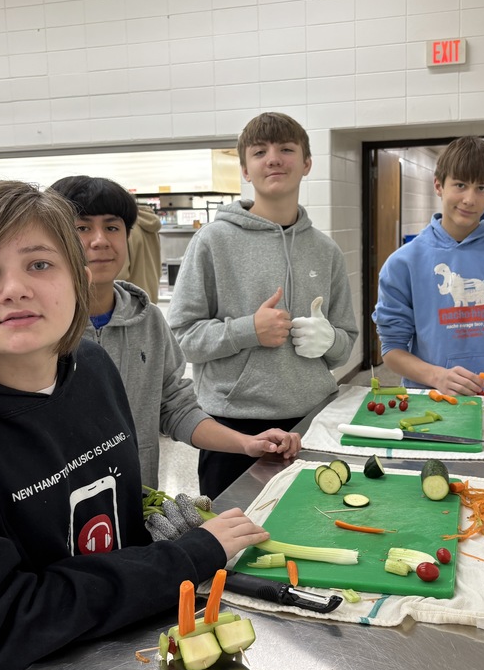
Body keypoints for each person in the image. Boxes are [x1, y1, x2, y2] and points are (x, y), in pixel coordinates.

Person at [0, 181, 270, 670]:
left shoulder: (92, 369)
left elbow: (91, 518)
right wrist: (182, 558)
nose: (14, 289)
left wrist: (149, 527)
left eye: (39, 265)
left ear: (75, 278)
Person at [49, 175, 301, 493]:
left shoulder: (148, 321)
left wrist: (247, 443)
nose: (100, 240)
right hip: (62, 510)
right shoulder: (41, 329)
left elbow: (174, 407)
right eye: (82, 228)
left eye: (112, 227)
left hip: (135, 500)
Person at [166, 112, 358, 497]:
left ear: (306, 164)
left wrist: (330, 341)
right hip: (231, 427)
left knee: (314, 526)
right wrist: (247, 331)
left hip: (310, 418)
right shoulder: (213, 242)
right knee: (235, 545)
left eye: (286, 149)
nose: (274, 158)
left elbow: (345, 343)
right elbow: (183, 337)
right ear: (245, 169)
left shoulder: (326, 250)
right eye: (260, 152)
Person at [373, 136, 484, 395]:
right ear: (438, 185)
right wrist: (438, 376)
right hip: (434, 398)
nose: (469, 199)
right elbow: (391, 350)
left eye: (481, 188)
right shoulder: (403, 263)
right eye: (460, 185)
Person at [119, 204, 162, 302]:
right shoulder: (151, 223)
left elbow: (120, 274)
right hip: (151, 292)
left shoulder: (127, 228)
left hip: (132, 298)